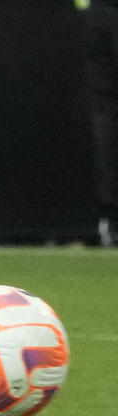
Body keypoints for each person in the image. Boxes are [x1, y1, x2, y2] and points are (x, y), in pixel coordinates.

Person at [78, 0, 118, 245]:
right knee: (107, 124)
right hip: (102, 16)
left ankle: (111, 221)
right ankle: (111, 221)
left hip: (99, 16)